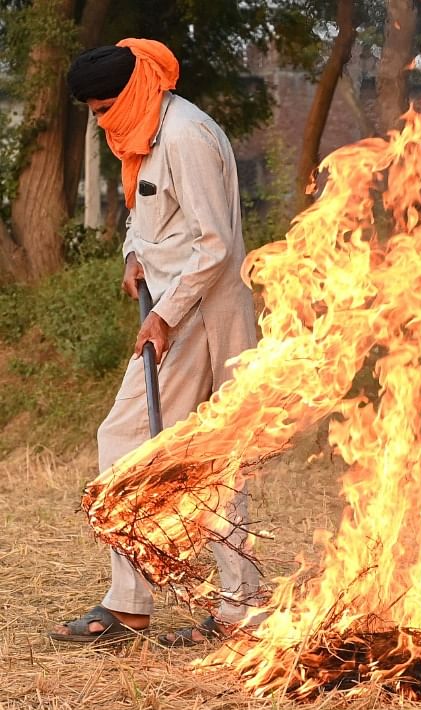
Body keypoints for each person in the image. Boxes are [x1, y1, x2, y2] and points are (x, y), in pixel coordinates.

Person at [48, 39, 261, 646]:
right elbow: (153, 217)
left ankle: (137, 605)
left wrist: (164, 314)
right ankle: (230, 607)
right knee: (209, 459)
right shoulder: (146, 131)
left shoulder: (188, 135)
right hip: (173, 303)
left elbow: (214, 243)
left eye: (105, 105)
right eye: (93, 110)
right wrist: (133, 254)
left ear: (137, 88)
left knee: (130, 439)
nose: (100, 119)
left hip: (199, 313)